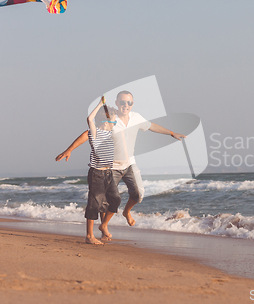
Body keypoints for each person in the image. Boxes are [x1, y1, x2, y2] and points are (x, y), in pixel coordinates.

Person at [56, 91, 186, 227]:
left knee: (138, 195)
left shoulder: (136, 118)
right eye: (122, 102)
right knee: (105, 201)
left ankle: (126, 212)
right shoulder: (111, 119)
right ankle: (104, 225)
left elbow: (152, 126)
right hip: (111, 167)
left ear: (132, 104)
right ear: (117, 103)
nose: (126, 105)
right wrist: (69, 149)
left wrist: (171, 133)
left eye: (129, 102)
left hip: (130, 163)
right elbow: (88, 133)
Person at [84, 96, 119, 245]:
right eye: (114, 121)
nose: (116, 124)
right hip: (97, 174)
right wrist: (100, 104)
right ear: (106, 122)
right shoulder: (96, 133)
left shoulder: (111, 134)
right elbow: (90, 119)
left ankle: (103, 225)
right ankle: (89, 236)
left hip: (108, 173)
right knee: (94, 204)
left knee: (115, 199)